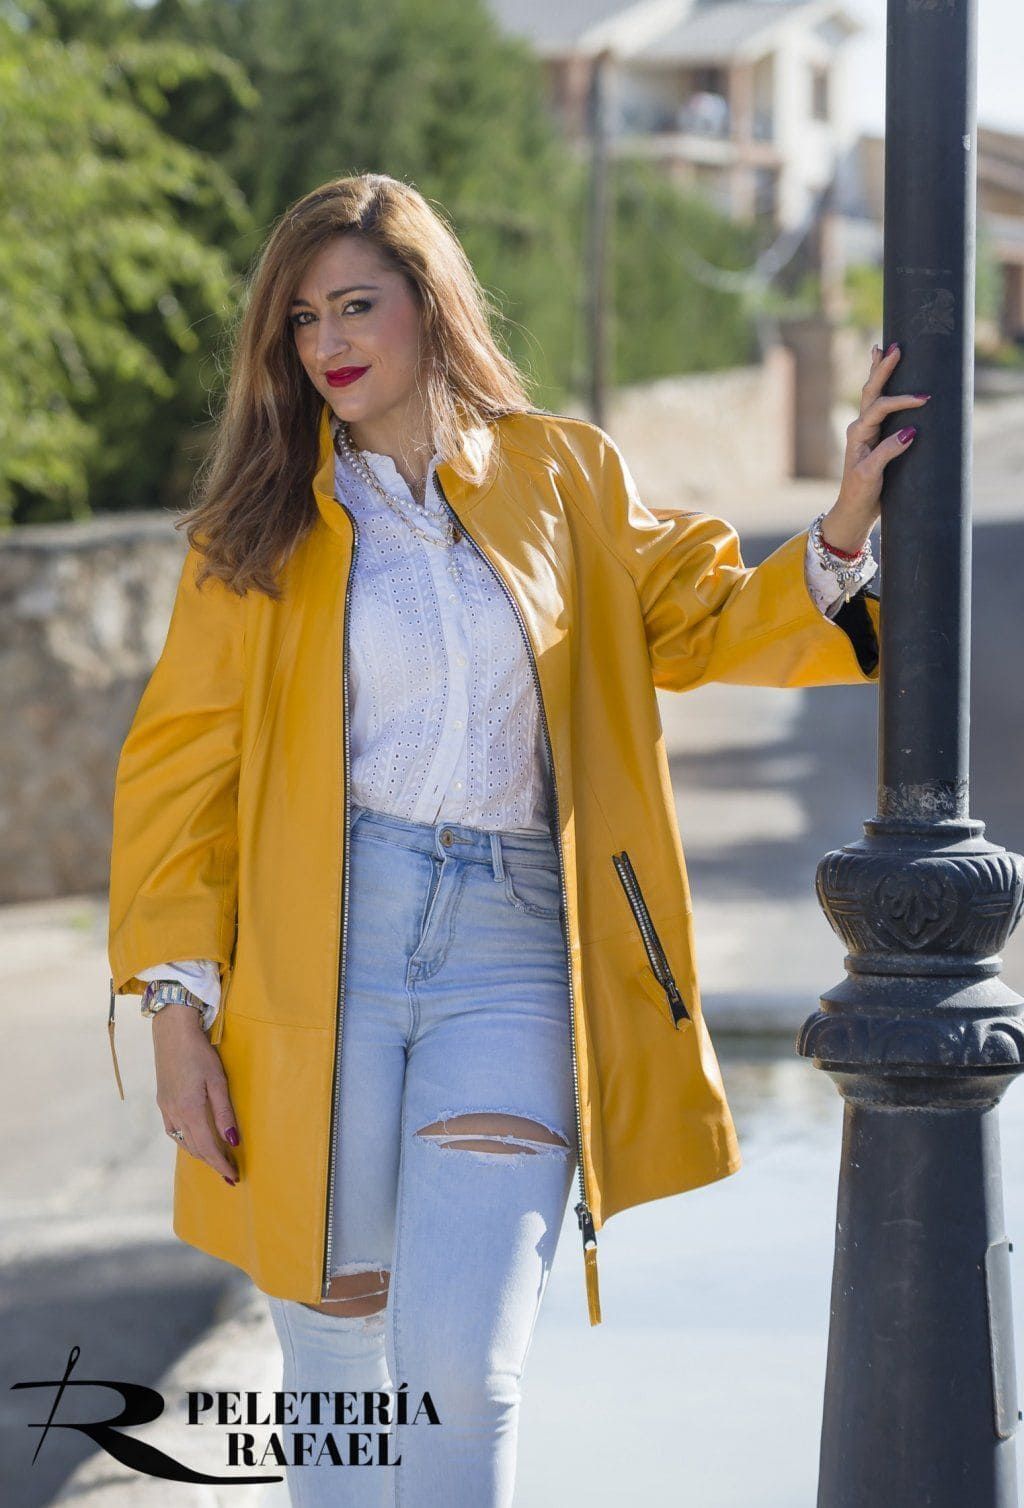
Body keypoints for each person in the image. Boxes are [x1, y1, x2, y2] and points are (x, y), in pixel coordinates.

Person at [106, 171, 926, 1505]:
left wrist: (844, 519)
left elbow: (710, 617)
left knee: (459, 1373)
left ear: (429, 306)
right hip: (322, 958)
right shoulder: (253, 533)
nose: (328, 343)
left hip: (516, 953)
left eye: (357, 305)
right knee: (335, 1373)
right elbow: (177, 778)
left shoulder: (566, 475)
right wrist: (173, 1010)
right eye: (303, 318)